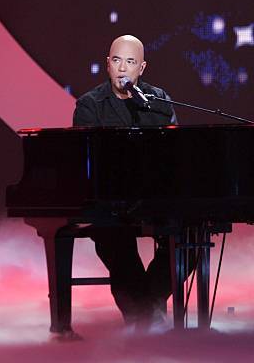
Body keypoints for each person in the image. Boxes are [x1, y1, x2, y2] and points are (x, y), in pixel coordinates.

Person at [73, 35, 176, 328]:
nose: (122, 68)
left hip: (155, 197)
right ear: (107, 64)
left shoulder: (159, 101)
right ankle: (144, 314)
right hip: (109, 200)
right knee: (114, 238)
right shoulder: (89, 105)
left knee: (189, 239)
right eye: (116, 60)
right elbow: (85, 164)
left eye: (130, 62)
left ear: (141, 68)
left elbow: (175, 155)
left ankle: (147, 305)